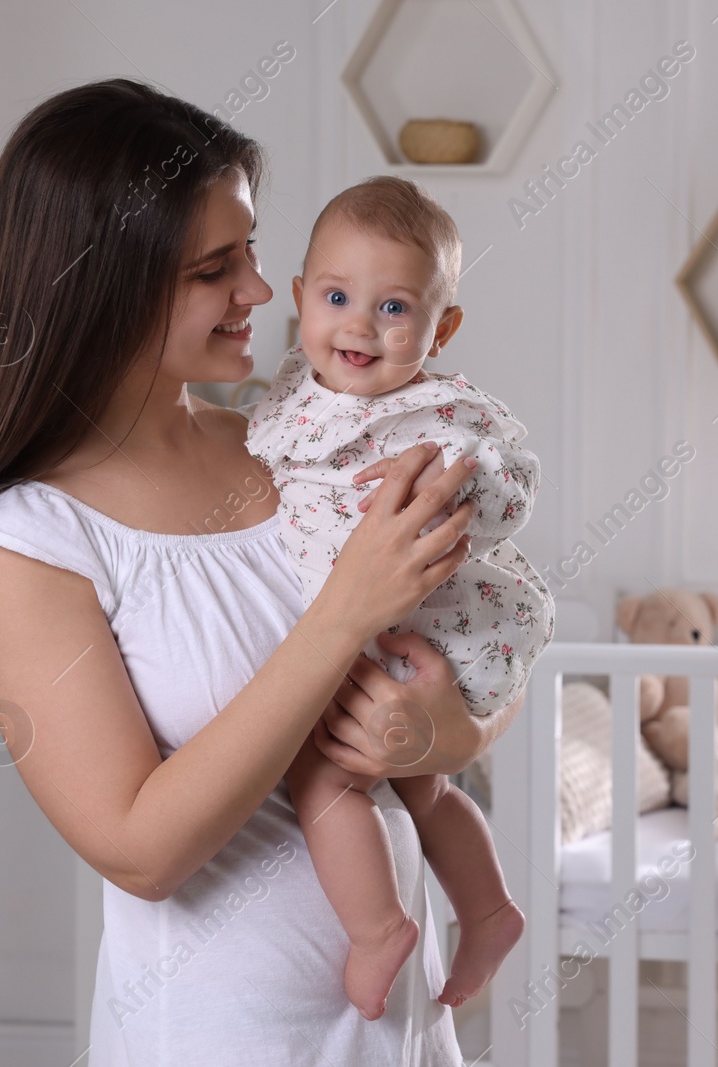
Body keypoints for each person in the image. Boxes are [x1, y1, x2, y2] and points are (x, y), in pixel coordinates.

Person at [0, 78, 516, 1066]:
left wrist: (442, 729)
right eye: (214, 268)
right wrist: (342, 613)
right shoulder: (29, 537)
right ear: (104, 282)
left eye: (254, 252)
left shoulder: (298, 454)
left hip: (402, 1033)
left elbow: (472, 658)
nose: (262, 293)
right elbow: (141, 850)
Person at [247, 176, 552, 1019]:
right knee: (424, 788)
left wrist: (455, 485)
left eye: (393, 308)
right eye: (338, 296)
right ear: (303, 295)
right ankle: (488, 910)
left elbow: (513, 486)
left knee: (320, 773)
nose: (358, 326)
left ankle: (380, 928)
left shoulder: (443, 413)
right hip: (360, 629)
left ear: (440, 327)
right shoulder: (286, 401)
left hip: (426, 628)